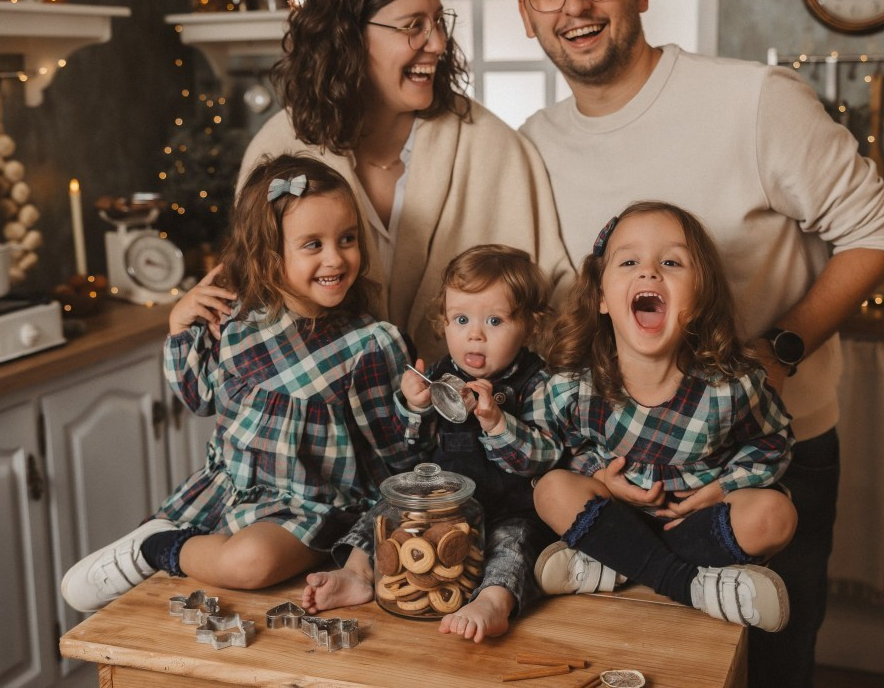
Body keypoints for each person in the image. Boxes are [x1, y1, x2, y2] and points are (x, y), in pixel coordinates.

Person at [514, 0, 884, 684]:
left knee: (767, 666)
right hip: (613, 471)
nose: (576, 4)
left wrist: (781, 350)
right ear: (528, 15)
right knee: (626, 667)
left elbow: (879, 231)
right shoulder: (534, 145)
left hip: (762, 460)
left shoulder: (755, 100)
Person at [61, 154, 426, 612]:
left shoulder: (370, 344)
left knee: (251, 563)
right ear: (269, 255)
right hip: (226, 489)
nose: (336, 257)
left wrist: (414, 411)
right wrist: (179, 327)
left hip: (312, 506)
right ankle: (164, 540)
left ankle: (155, 549)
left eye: (347, 239)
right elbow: (199, 398)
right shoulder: (238, 322)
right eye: (312, 244)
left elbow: (393, 455)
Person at [237, 0, 573, 363]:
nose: (438, 43)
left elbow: (551, 303)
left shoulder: (493, 147)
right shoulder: (277, 148)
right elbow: (250, 296)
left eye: (438, 21)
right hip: (324, 421)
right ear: (347, 37)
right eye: (413, 26)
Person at [479, 203, 797, 632]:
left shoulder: (731, 386)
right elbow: (541, 457)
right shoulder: (574, 385)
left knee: (777, 515)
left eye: (671, 262)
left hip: (694, 520)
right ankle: (690, 584)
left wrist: (721, 488)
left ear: (701, 298)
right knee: (552, 491)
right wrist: (501, 425)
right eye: (629, 261)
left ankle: (616, 565)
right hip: (615, 515)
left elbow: (773, 444)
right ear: (603, 299)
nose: (649, 272)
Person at [301, 244, 555, 644]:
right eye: (461, 319)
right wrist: (415, 408)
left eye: (494, 320)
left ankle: (492, 602)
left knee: (516, 544)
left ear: (530, 327)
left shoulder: (538, 384)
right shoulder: (439, 375)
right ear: (443, 321)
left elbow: (542, 460)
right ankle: (357, 575)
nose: (474, 334)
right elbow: (412, 453)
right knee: (383, 513)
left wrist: (496, 422)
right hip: (443, 507)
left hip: (510, 508)